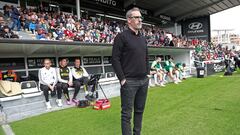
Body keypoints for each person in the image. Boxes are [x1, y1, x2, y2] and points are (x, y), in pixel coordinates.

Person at [112, 7, 149, 135]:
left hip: (143, 81)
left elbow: (146, 57)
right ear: (129, 20)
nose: (140, 20)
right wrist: (122, 79)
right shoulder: (121, 37)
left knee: (139, 111)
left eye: (140, 17)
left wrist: (147, 74)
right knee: (126, 114)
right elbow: (115, 59)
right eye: (137, 17)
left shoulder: (143, 39)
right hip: (129, 82)